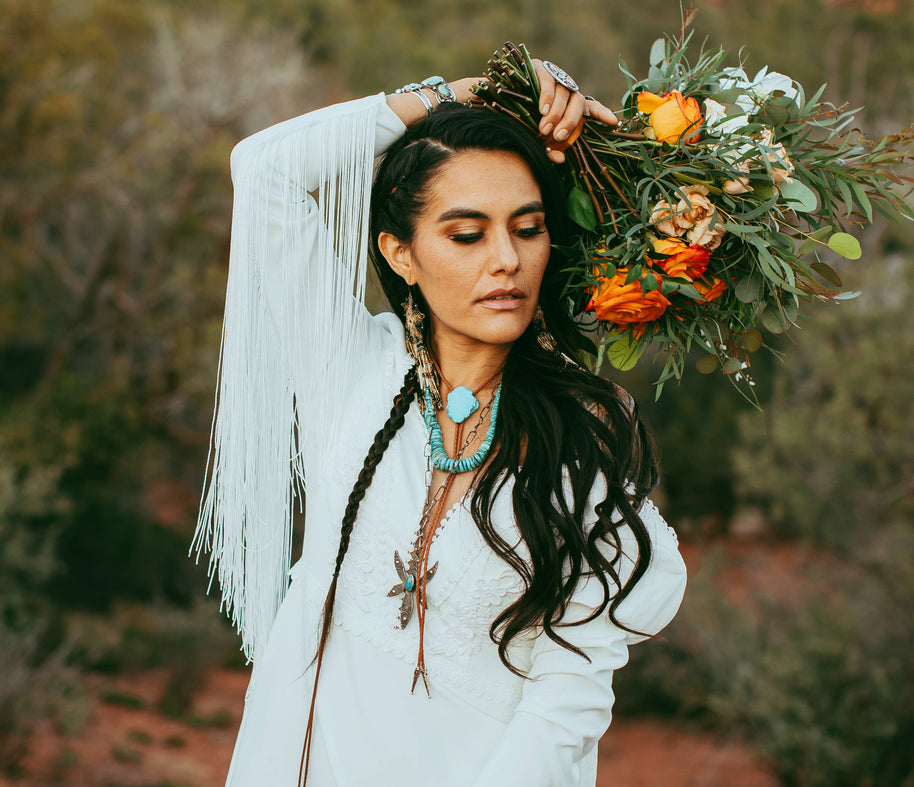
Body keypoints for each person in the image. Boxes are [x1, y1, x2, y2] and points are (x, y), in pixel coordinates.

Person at [193, 60, 687, 787]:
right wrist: (475, 92)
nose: (507, 260)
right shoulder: (351, 373)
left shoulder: (579, 442)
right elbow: (265, 169)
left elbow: (567, 702)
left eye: (528, 228)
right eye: (466, 234)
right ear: (401, 253)